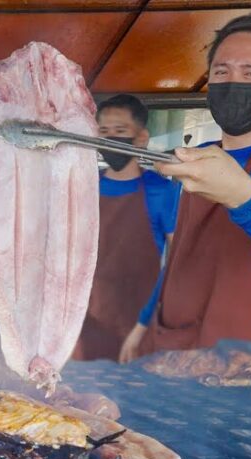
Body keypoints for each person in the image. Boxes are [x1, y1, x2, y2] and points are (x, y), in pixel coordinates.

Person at [120, 16, 251, 363]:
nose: (233, 83)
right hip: (168, 343)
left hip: (232, 355)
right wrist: (141, 326)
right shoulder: (192, 159)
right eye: (221, 72)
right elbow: (177, 257)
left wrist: (242, 195)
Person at [73, 95, 179, 361]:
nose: (110, 139)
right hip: (81, 320)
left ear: (141, 138)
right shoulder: (82, 187)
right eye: (103, 132)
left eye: (120, 131)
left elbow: (180, 262)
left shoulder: (162, 191)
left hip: (137, 322)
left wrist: (145, 324)